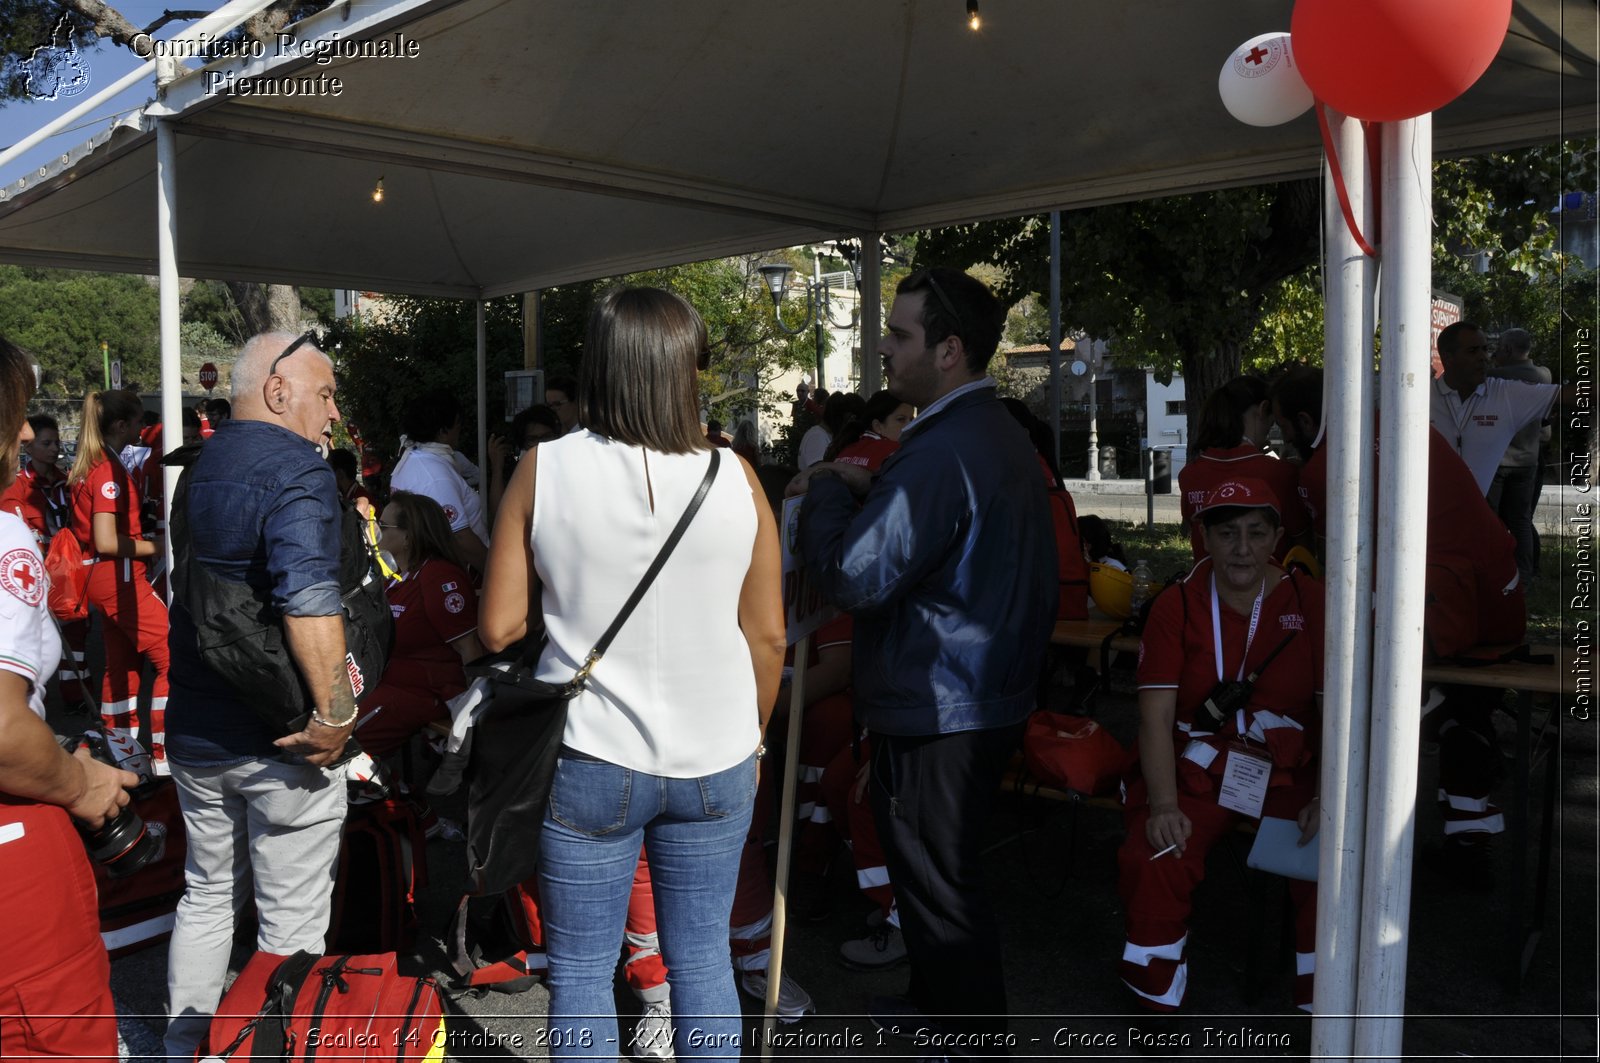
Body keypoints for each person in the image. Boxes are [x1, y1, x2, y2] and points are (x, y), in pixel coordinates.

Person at [481, 287, 785, 1060]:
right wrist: (753, 735)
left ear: (600, 367)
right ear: (686, 370)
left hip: (591, 750)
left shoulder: (541, 468)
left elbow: (499, 627)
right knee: (703, 960)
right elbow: (769, 635)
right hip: (717, 752)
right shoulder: (736, 477)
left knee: (582, 971)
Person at [791, 267, 1056, 1049]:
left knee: (941, 882)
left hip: (946, 697)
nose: (883, 349)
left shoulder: (944, 445)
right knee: (934, 872)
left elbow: (853, 574)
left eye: (899, 335)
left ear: (948, 350)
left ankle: (967, 1032)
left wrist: (829, 492)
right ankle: (938, 1005)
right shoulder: (980, 431)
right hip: (969, 688)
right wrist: (867, 481)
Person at [162, 331, 355, 1058]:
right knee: (291, 929)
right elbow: (309, 600)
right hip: (281, 739)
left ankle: (185, 1047)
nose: (333, 413)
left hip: (195, 731)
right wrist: (336, 713)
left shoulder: (199, 466)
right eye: (326, 392)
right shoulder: (298, 471)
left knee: (207, 894)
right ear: (279, 391)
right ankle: (265, 1050)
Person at [1118, 478, 1323, 1013]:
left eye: (1257, 533)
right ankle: (1154, 995)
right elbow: (1155, 717)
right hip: (1199, 765)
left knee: (1335, 852)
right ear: (1202, 537)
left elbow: (1342, 714)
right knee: (1157, 847)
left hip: (1288, 769)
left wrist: (1328, 795)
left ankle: (1325, 1006)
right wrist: (1162, 804)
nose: (1243, 549)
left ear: (1277, 536)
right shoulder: (1177, 605)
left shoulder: (1311, 602)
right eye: (1227, 533)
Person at [0, 336, 139, 1060]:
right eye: (16, 415)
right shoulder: (4, 536)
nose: (27, 433)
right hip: (17, 883)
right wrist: (79, 780)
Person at [69, 389, 171, 773]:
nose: (143, 428)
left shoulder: (94, 463)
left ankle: (120, 750)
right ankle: (165, 753)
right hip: (117, 576)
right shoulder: (107, 470)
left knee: (122, 664)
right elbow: (108, 540)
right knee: (172, 657)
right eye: (139, 421)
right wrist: (157, 546)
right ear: (120, 425)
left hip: (101, 577)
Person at [355, 491, 484, 758]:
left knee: (344, 740)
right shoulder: (397, 576)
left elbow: (468, 648)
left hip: (425, 693)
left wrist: (474, 714)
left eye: (384, 525)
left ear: (408, 536)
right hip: (388, 685)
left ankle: (387, 794)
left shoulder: (439, 577)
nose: (377, 530)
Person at [1, 413, 92, 707]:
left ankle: (76, 697)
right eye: (46, 443)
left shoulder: (65, 482)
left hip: (67, 570)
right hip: (35, 569)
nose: (54, 449)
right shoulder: (16, 488)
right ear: (28, 447)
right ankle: (28, 699)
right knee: (34, 636)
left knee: (77, 633)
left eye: (56, 442)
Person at [1179, 376, 1307, 561]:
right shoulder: (1281, 474)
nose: (1267, 437)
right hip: (1271, 585)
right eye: (1271, 426)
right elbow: (1304, 547)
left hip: (1206, 586)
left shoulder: (1189, 475)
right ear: (1263, 409)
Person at [1430, 321, 1559, 495]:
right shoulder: (1420, 396)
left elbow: (1575, 394)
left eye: (1485, 349)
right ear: (1447, 357)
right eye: (1473, 351)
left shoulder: (1504, 391)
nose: (1484, 357)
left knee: (1516, 522)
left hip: (1483, 503)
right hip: (1427, 513)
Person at [390, 389, 490, 574]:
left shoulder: (414, 459)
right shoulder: (434, 474)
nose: (460, 430)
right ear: (443, 431)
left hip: (425, 571)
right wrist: (495, 574)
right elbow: (460, 538)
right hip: (455, 574)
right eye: (458, 425)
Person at [1486, 327, 1550, 587]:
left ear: (1509, 350)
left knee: (1491, 519)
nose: (1493, 353)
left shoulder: (1495, 376)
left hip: (1498, 461)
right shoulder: (1544, 374)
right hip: (1528, 460)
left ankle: (1493, 569)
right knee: (1521, 520)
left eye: (1498, 348)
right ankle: (1525, 574)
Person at [827, 388, 913, 470]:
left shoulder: (845, 450)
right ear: (877, 426)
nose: (910, 425)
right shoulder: (896, 452)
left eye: (912, 419)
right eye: (901, 419)